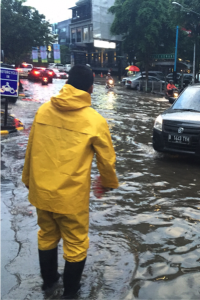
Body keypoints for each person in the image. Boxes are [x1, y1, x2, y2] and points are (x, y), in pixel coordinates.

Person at [22, 65, 119, 299]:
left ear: (66, 83)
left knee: (46, 234)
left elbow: (30, 149)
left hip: (42, 192)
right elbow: (107, 161)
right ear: (90, 88)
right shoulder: (95, 121)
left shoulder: (43, 111)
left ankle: (49, 284)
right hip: (71, 198)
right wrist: (106, 183)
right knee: (75, 245)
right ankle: (71, 293)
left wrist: (28, 181)